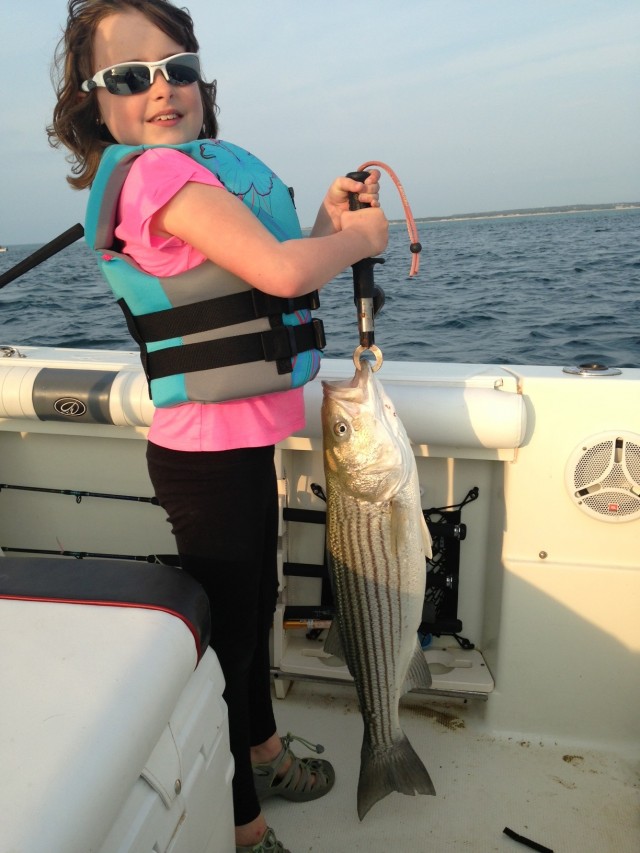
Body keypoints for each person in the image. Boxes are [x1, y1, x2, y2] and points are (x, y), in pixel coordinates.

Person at [48, 2, 388, 851]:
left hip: (238, 447)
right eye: (131, 76)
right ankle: (241, 823)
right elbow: (281, 270)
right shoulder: (158, 181)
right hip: (205, 458)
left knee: (254, 608)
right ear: (94, 103)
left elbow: (275, 275)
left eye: (179, 69)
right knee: (231, 650)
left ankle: (263, 749)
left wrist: (327, 220)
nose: (162, 89)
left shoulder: (201, 175)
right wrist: (361, 239)